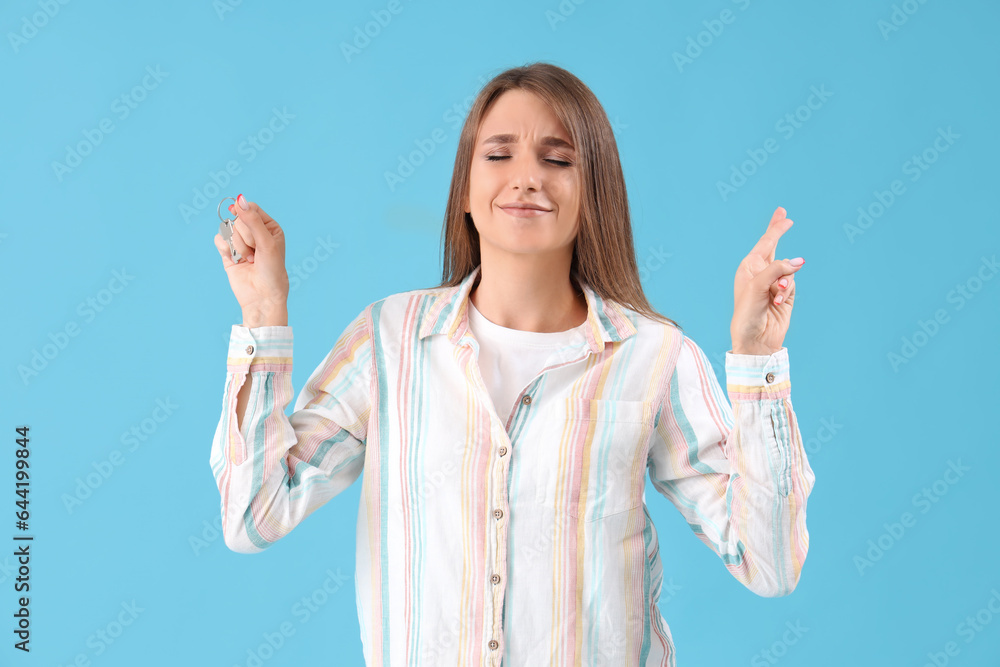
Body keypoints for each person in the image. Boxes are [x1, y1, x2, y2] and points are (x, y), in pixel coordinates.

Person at [210, 61, 815, 667]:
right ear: (466, 191)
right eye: (498, 155)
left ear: (594, 190)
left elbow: (769, 564)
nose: (526, 178)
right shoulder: (388, 340)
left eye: (557, 159)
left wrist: (758, 361)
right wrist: (265, 311)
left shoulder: (655, 357)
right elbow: (254, 515)